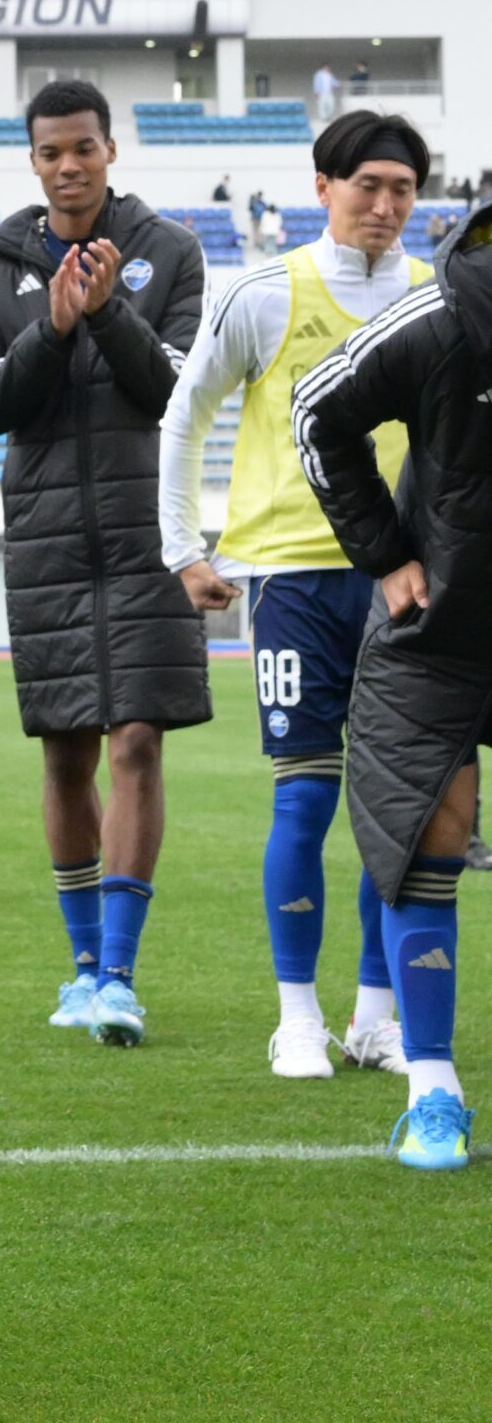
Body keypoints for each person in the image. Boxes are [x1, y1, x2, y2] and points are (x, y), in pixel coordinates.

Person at [159, 111, 434, 1080]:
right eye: (368, 185)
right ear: (323, 188)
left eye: (403, 189)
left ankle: (375, 1017)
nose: (385, 205)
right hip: (289, 576)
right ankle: (297, 1018)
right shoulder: (264, 292)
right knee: (307, 798)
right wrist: (184, 549)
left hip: (402, 580)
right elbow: (185, 414)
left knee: (397, 809)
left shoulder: (435, 295)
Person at [0, 78, 211, 1046]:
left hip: (149, 529)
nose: (69, 166)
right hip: (48, 536)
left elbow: (179, 389)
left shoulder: (169, 251)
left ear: (110, 149)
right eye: (51, 151)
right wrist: (54, 326)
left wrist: (104, 314)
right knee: (65, 752)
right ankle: (83, 968)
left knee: (137, 740)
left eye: (84, 148)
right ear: (32, 160)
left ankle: (119, 976)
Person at [298, 198, 492, 1167]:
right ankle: (432, 1092)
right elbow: (316, 409)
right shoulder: (444, 315)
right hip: (439, 629)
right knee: (429, 831)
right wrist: (383, 552)